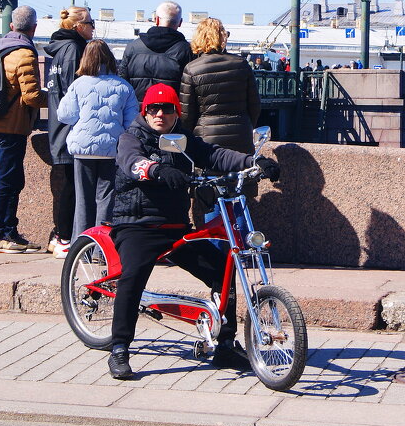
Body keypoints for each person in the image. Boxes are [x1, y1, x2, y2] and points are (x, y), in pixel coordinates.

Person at [107, 83, 280, 380]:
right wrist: (156, 170)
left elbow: (214, 155)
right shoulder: (130, 137)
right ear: (144, 111)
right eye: (153, 108)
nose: (160, 114)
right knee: (133, 277)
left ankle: (225, 343)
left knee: (221, 272)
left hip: (175, 226)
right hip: (137, 224)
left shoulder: (182, 139)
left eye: (167, 109)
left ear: (178, 112)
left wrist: (254, 162)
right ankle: (120, 348)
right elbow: (132, 162)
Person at [57, 40, 138, 250]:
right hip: (112, 150)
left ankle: (80, 247)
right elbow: (131, 121)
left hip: (83, 149)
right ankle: (102, 249)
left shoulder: (78, 84)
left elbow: (65, 115)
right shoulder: (123, 86)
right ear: (110, 59)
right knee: (106, 200)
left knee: (83, 200)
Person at [0, 5, 48, 253]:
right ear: (33, 27)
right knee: (8, 181)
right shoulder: (25, 54)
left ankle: (9, 231)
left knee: (11, 180)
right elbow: (31, 97)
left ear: (12, 26)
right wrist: (55, 98)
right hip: (12, 126)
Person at [43, 6, 93, 256]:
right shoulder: (74, 49)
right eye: (90, 23)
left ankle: (60, 235)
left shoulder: (56, 50)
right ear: (78, 27)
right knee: (73, 188)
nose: (93, 28)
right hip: (71, 130)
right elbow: (77, 93)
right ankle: (64, 237)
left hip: (57, 127)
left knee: (68, 186)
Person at [179, 18, 261, 154]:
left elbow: (187, 115)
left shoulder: (192, 69)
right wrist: (246, 125)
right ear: (222, 36)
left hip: (206, 139)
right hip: (241, 135)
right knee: (241, 172)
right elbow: (255, 105)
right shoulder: (241, 64)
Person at [118, 1, 192, 102]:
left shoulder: (133, 47)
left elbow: (122, 84)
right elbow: (188, 91)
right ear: (180, 22)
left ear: (156, 19)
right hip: (170, 114)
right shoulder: (186, 50)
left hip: (136, 113)